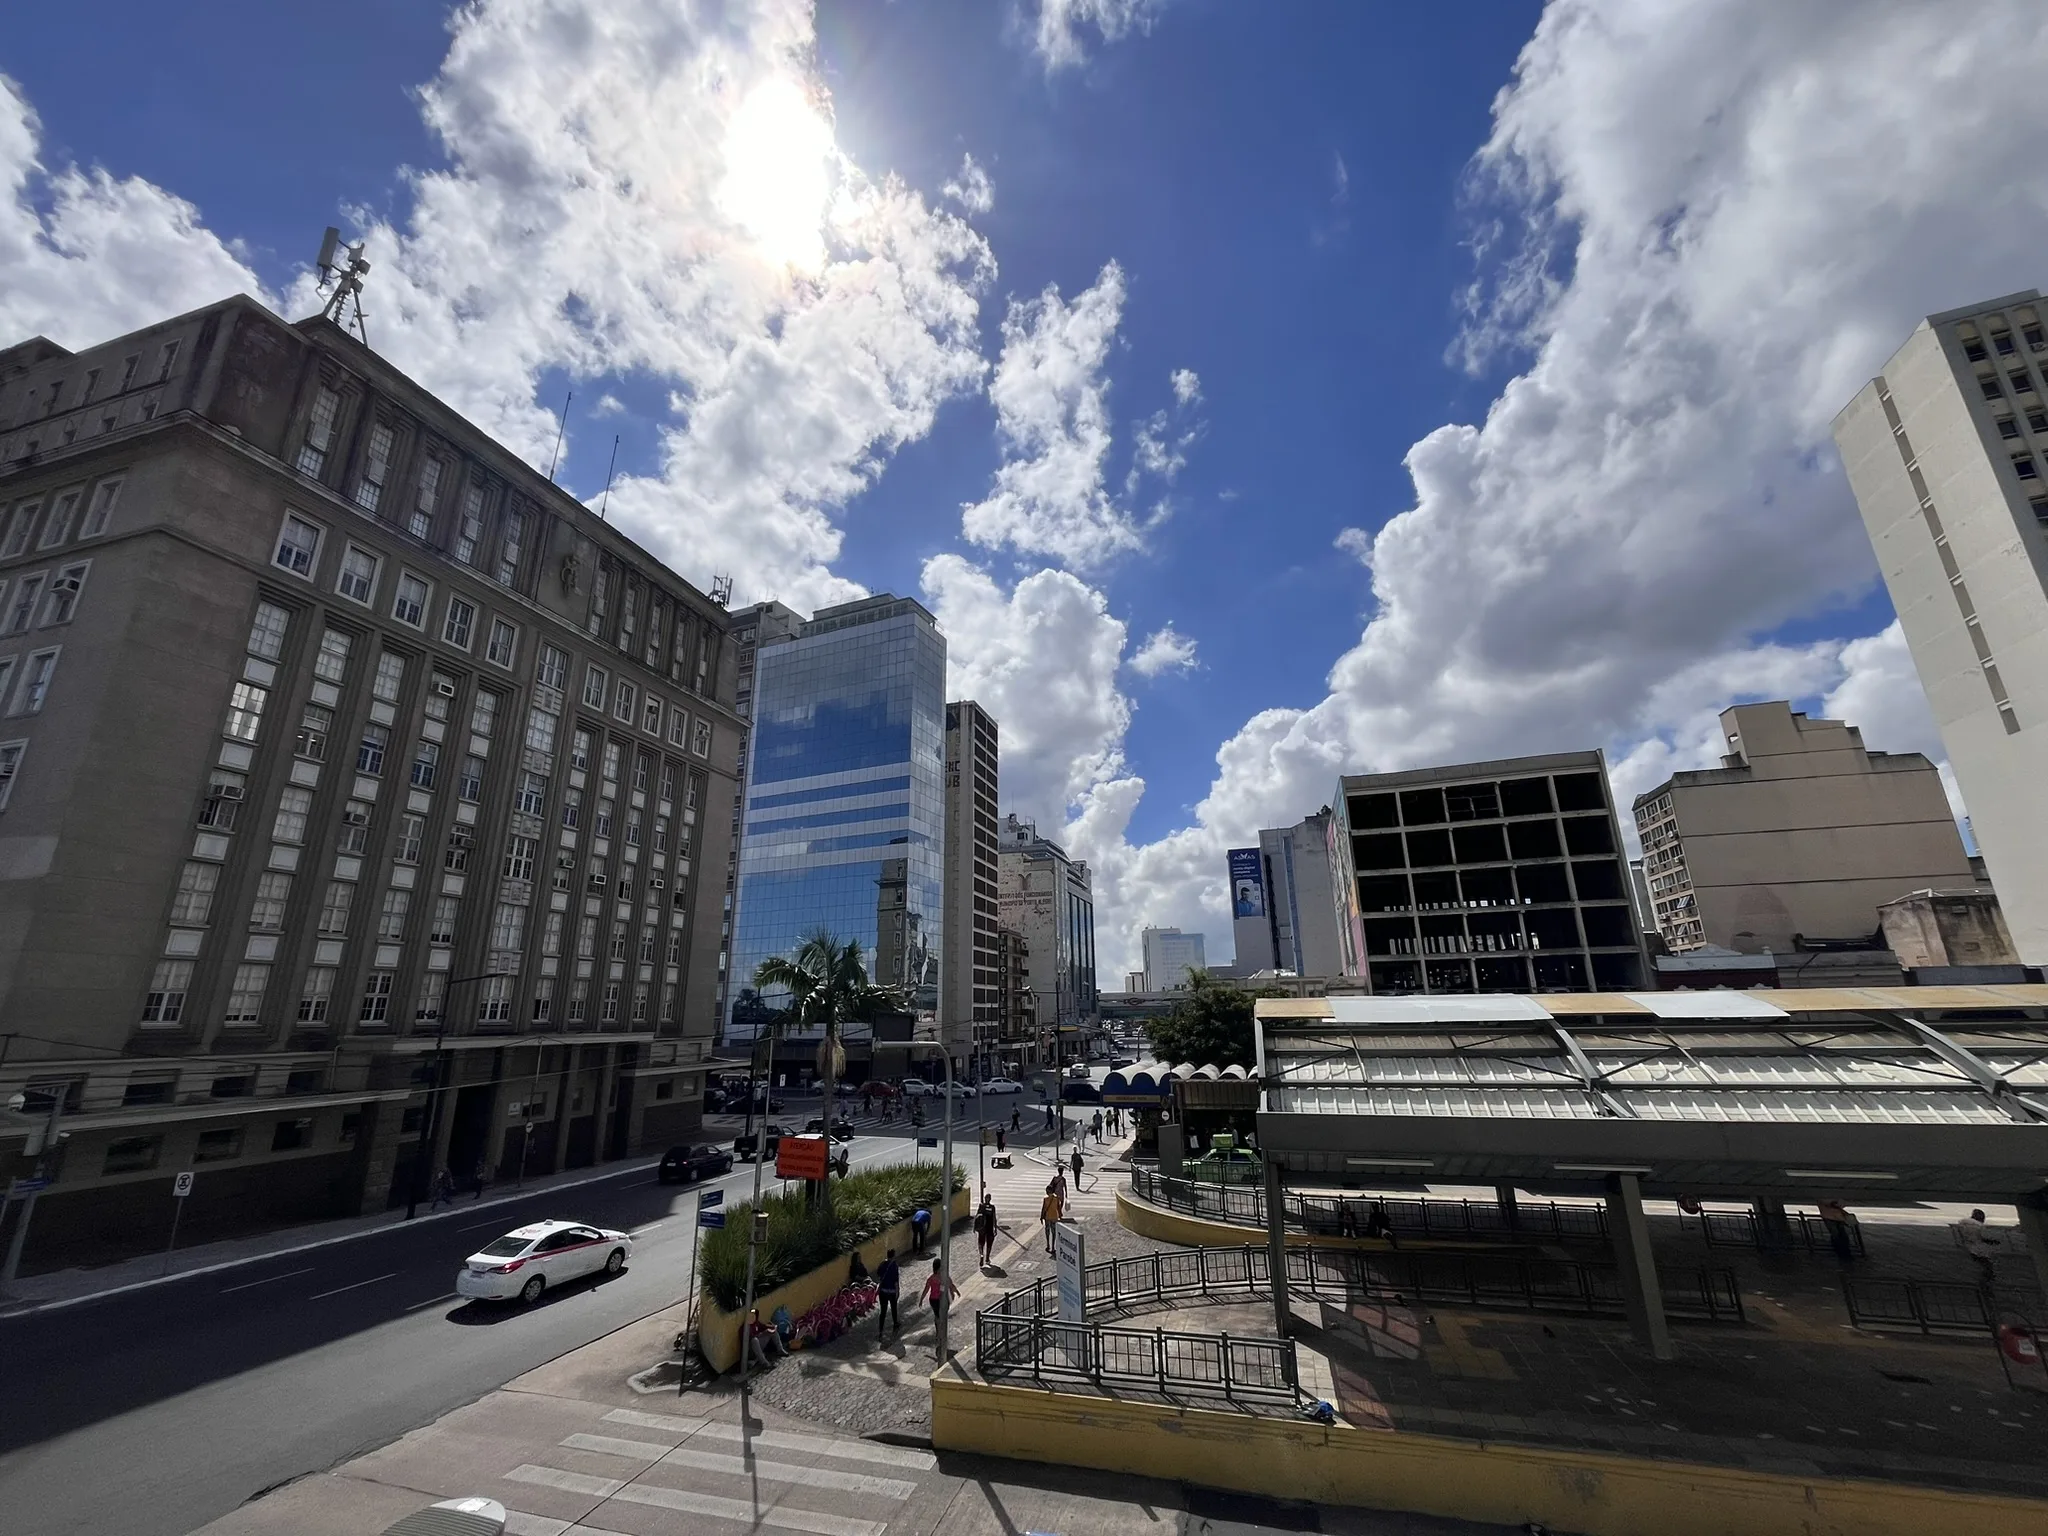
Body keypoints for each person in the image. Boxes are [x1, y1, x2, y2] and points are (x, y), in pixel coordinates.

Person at [1956, 1208, 2002, 1287]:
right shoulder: (1979, 1226)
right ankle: (1986, 1282)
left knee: (1982, 1263)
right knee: (1987, 1265)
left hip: (1968, 1246)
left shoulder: (1962, 1223)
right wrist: (1994, 1242)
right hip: (1978, 1249)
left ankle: (1985, 1280)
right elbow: (1983, 1237)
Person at [922, 1258, 959, 1350]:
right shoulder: (944, 1277)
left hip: (933, 1300)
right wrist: (957, 1292)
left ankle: (939, 1332)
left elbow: (926, 1289)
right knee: (941, 1316)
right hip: (940, 1300)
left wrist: (921, 1299)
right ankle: (940, 1333)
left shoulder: (931, 1278)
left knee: (937, 1316)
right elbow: (951, 1285)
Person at [876, 1248, 901, 1337]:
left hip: (883, 1291)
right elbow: (896, 1281)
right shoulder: (894, 1266)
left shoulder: (882, 1264)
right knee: (894, 1308)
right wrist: (898, 1292)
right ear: (893, 1256)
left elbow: (878, 1274)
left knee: (883, 1311)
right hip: (891, 1292)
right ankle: (895, 1324)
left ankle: (880, 1330)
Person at [974, 1195, 999, 1266]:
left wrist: (975, 1227)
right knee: (989, 1244)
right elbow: (994, 1218)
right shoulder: (992, 1207)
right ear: (990, 1199)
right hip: (990, 1228)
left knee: (980, 1243)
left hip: (982, 1228)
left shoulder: (981, 1206)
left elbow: (977, 1216)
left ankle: (981, 1255)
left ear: (985, 1199)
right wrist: (995, 1228)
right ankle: (987, 1258)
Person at [1041, 1186, 1063, 1254]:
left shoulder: (1046, 1199)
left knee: (1047, 1231)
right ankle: (1053, 1247)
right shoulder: (1056, 1198)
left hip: (1047, 1217)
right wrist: (1060, 1215)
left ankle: (1048, 1245)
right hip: (1054, 1217)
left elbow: (1044, 1209)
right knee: (1054, 1232)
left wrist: (1041, 1217)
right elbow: (1058, 1208)